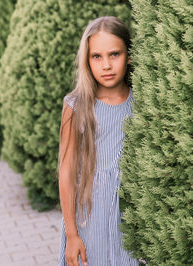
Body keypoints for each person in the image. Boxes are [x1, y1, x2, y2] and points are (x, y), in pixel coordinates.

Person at [57, 16, 138, 266]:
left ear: (129, 55)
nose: (106, 65)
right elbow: (67, 171)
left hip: (130, 219)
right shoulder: (76, 106)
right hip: (89, 218)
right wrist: (72, 234)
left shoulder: (142, 104)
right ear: (87, 60)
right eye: (97, 56)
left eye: (114, 54)